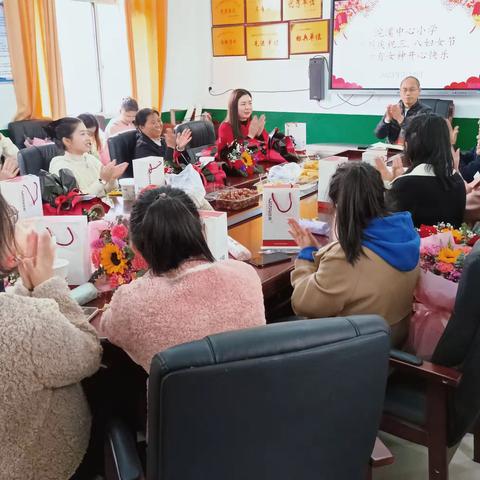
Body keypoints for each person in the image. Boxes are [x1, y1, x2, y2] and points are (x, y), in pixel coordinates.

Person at [100, 186, 266, 372]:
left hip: (179, 401)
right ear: (201, 230)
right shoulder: (245, 275)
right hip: (254, 397)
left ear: (135, 248)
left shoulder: (131, 302)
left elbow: (108, 327)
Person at [0, 194, 102, 479]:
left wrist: (28, 287)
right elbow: (88, 353)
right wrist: (47, 284)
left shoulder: (22, 318)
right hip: (48, 467)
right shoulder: (27, 323)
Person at [289, 162, 419, 347]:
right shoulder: (405, 233)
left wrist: (307, 255)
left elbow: (303, 303)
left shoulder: (348, 255)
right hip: (391, 343)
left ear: (338, 205)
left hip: (352, 352)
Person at [385, 113, 466, 227]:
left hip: (414, 245)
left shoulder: (404, 185)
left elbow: (389, 227)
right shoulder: (457, 180)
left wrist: (389, 186)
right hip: (452, 244)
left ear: (410, 145)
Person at [47, 117, 128, 197]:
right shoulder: (60, 165)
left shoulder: (90, 159)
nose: (88, 138)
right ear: (67, 141)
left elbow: (106, 190)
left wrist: (112, 178)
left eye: (87, 133)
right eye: (82, 134)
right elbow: (75, 199)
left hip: (101, 208)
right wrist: (102, 180)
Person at [375, 76, 432, 144]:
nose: (408, 93)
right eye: (404, 90)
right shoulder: (394, 109)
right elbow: (379, 135)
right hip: (392, 150)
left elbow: (418, 132)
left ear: (419, 91)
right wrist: (387, 120)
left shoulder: (425, 111)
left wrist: (399, 118)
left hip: (413, 151)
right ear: (400, 92)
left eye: (412, 90)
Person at [215, 88, 269, 160]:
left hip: (253, 164)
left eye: (250, 103)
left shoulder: (252, 124)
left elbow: (265, 148)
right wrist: (250, 136)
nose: (248, 107)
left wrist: (260, 136)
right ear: (234, 107)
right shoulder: (225, 127)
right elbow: (233, 157)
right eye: (243, 104)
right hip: (232, 168)